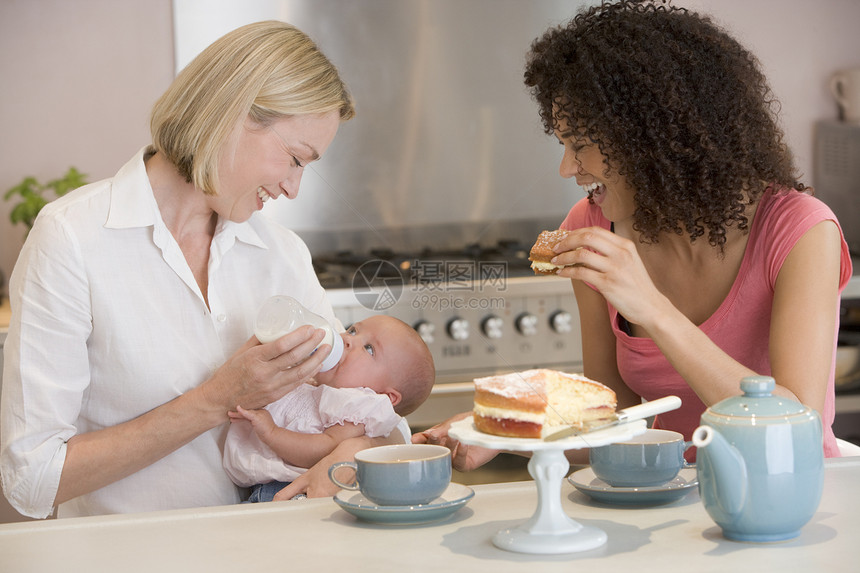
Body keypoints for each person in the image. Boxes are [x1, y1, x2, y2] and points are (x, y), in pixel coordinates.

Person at [414, 0, 853, 468]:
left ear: (654, 136)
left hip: (787, 507)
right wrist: (507, 429)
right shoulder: (590, 226)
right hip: (670, 505)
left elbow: (797, 429)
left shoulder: (801, 231)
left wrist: (652, 309)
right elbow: (618, 422)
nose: (566, 168)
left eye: (580, 145)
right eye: (563, 143)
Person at [0, 20, 381, 518]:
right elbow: (31, 481)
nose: (294, 188)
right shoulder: (72, 238)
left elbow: (365, 413)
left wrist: (350, 454)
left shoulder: (280, 252)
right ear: (231, 114)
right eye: (293, 158)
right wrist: (215, 399)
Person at [223, 315, 435, 503]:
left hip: (297, 493)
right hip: (265, 491)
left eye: (369, 348)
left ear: (386, 397)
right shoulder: (318, 383)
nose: (347, 339)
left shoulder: (358, 405)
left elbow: (324, 449)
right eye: (353, 329)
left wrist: (271, 432)